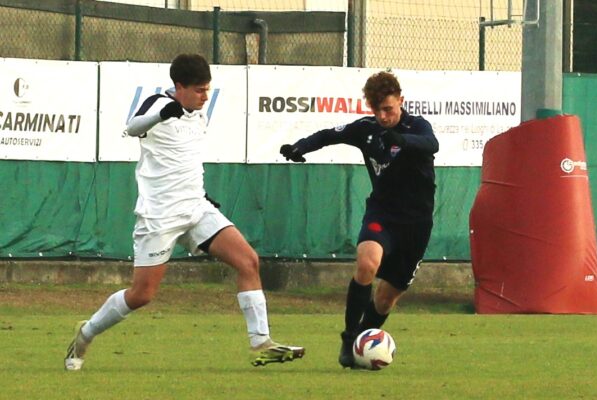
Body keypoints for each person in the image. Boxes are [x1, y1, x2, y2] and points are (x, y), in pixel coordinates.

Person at [64, 53, 304, 370]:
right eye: (200, 90)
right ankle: (86, 333)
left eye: (208, 89)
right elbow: (132, 127)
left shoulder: (198, 116)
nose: (206, 96)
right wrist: (162, 114)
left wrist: (203, 195)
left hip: (196, 208)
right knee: (142, 294)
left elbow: (183, 160)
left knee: (248, 261)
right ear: (179, 87)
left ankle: (261, 342)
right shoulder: (157, 104)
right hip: (159, 216)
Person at [280, 71, 438, 368]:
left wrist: (401, 139)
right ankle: (350, 337)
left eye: (388, 109)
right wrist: (300, 146)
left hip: (416, 224)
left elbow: (431, 144)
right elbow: (329, 135)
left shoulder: (416, 126)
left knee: (385, 299)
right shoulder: (367, 129)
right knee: (367, 264)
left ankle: (364, 341)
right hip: (382, 213)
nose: (382, 116)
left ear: (401, 101)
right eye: (376, 110)